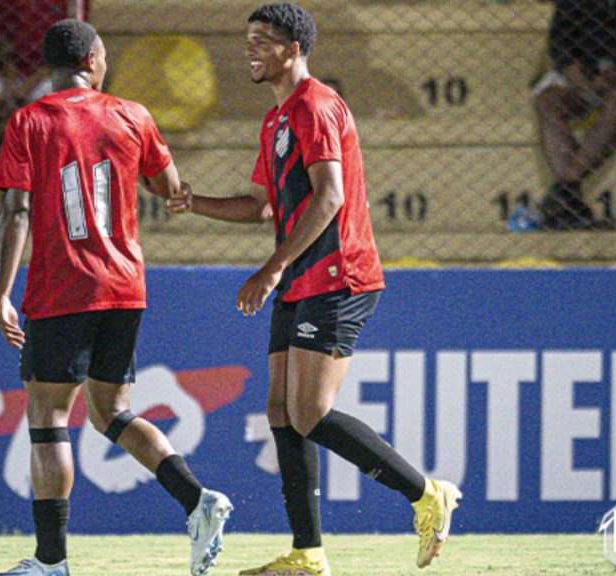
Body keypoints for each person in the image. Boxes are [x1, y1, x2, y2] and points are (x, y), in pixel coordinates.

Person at [167, 4, 460, 575]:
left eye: (263, 41)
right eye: (248, 39)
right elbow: (259, 206)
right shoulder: (276, 120)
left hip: (337, 274)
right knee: (281, 410)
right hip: (303, 277)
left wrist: (272, 268)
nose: (251, 49)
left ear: (294, 48)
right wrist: (193, 203)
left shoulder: (316, 106)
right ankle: (308, 554)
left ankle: (426, 494)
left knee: (308, 412)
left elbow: (330, 197)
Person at [0, 19, 232, 576]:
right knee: (111, 412)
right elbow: (170, 187)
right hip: (124, 287)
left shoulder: (29, 121)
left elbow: (17, 210)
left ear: (51, 69)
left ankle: (51, 563)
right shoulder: (133, 115)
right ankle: (198, 500)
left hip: (62, 287)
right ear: (96, 59)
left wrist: (3, 292)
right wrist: (156, 185)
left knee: (49, 416)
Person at [529, 0, 616, 230]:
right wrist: (583, 79)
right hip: (584, 78)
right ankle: (570, 199)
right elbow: (560, 44)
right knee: (548, 101)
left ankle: (566, 191)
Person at [0, 0, 86, 230]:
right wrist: (11, 78)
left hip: (57, 74)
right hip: (14, 73)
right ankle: (11, 198)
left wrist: (29, 84)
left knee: (36, 123)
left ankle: (35, 204)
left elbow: (72, 51)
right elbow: (1, 42)